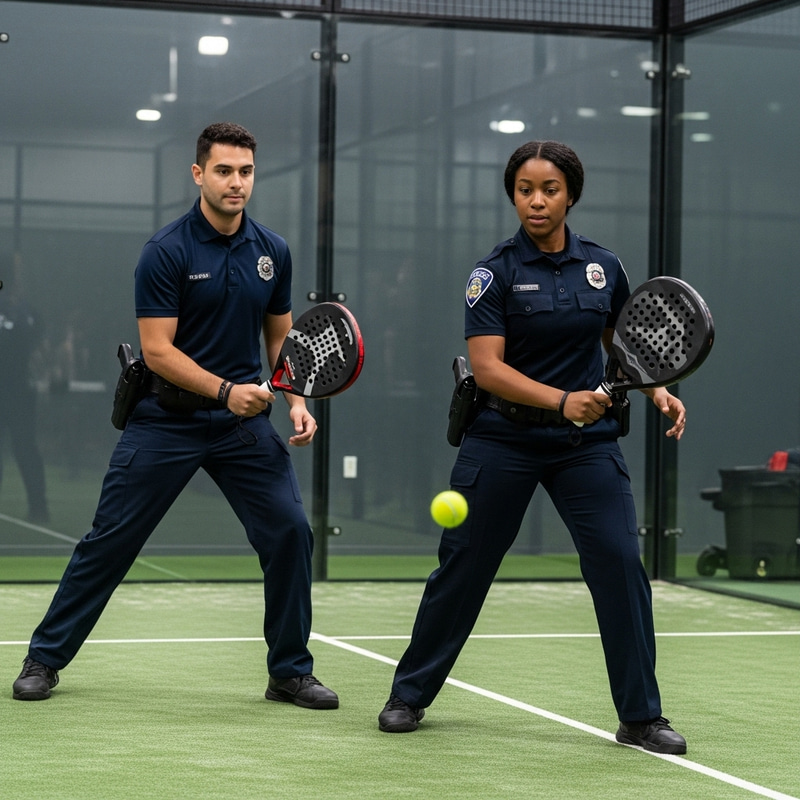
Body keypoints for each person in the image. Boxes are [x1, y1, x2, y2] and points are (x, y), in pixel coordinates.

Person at [12, 122, 338, 711]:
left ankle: (289, 671)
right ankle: (44, 658)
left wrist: (296, 400)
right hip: (166, 420)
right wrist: (225, 391)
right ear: (198, 174)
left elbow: (282, 337)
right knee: (110, 540)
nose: (236, 182)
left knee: (291, 531)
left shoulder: (273, 251)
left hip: (242, 428)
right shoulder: (165, 252)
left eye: (245, 171)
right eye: (223, 171)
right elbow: (158, 350)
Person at [378, 140, 687, 754]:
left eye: (549, 189)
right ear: (513, 194)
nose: (537, 201)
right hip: (502, 439)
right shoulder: (492, 273)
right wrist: (562, 400)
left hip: (586, 447)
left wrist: (658, 392)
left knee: (621, 567)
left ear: (571, 193)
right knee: (462, 568)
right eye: (525, 189)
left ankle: (642, 717)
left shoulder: (605, 267)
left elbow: (626, 343)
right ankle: (408, 697)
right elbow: (487, 368)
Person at [0, 253, 49, 523]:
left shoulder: (25, 309)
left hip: (19, 391)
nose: (21, 274)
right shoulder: (8, 304)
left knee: (26, 448)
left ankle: (39, 506)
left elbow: (36, 336)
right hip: (4, 388)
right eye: (17, 269)